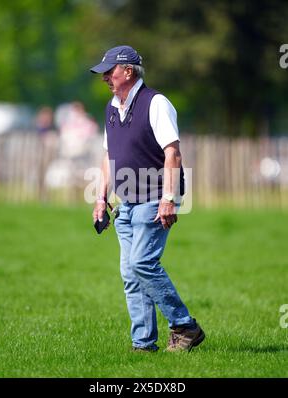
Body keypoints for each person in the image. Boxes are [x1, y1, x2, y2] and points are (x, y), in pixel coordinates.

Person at [90, 45, 205, 352]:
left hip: (155, 196)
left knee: (142, 262)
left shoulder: (156, 103)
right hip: (126, 201)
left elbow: (173, 152)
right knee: (130, 273)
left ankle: (184, 326)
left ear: (128, 71)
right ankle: (143, 345)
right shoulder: (111, 107)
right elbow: (108, 156)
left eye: (109, 71)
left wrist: (169, 197)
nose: (104, 78)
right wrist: (101, 198)